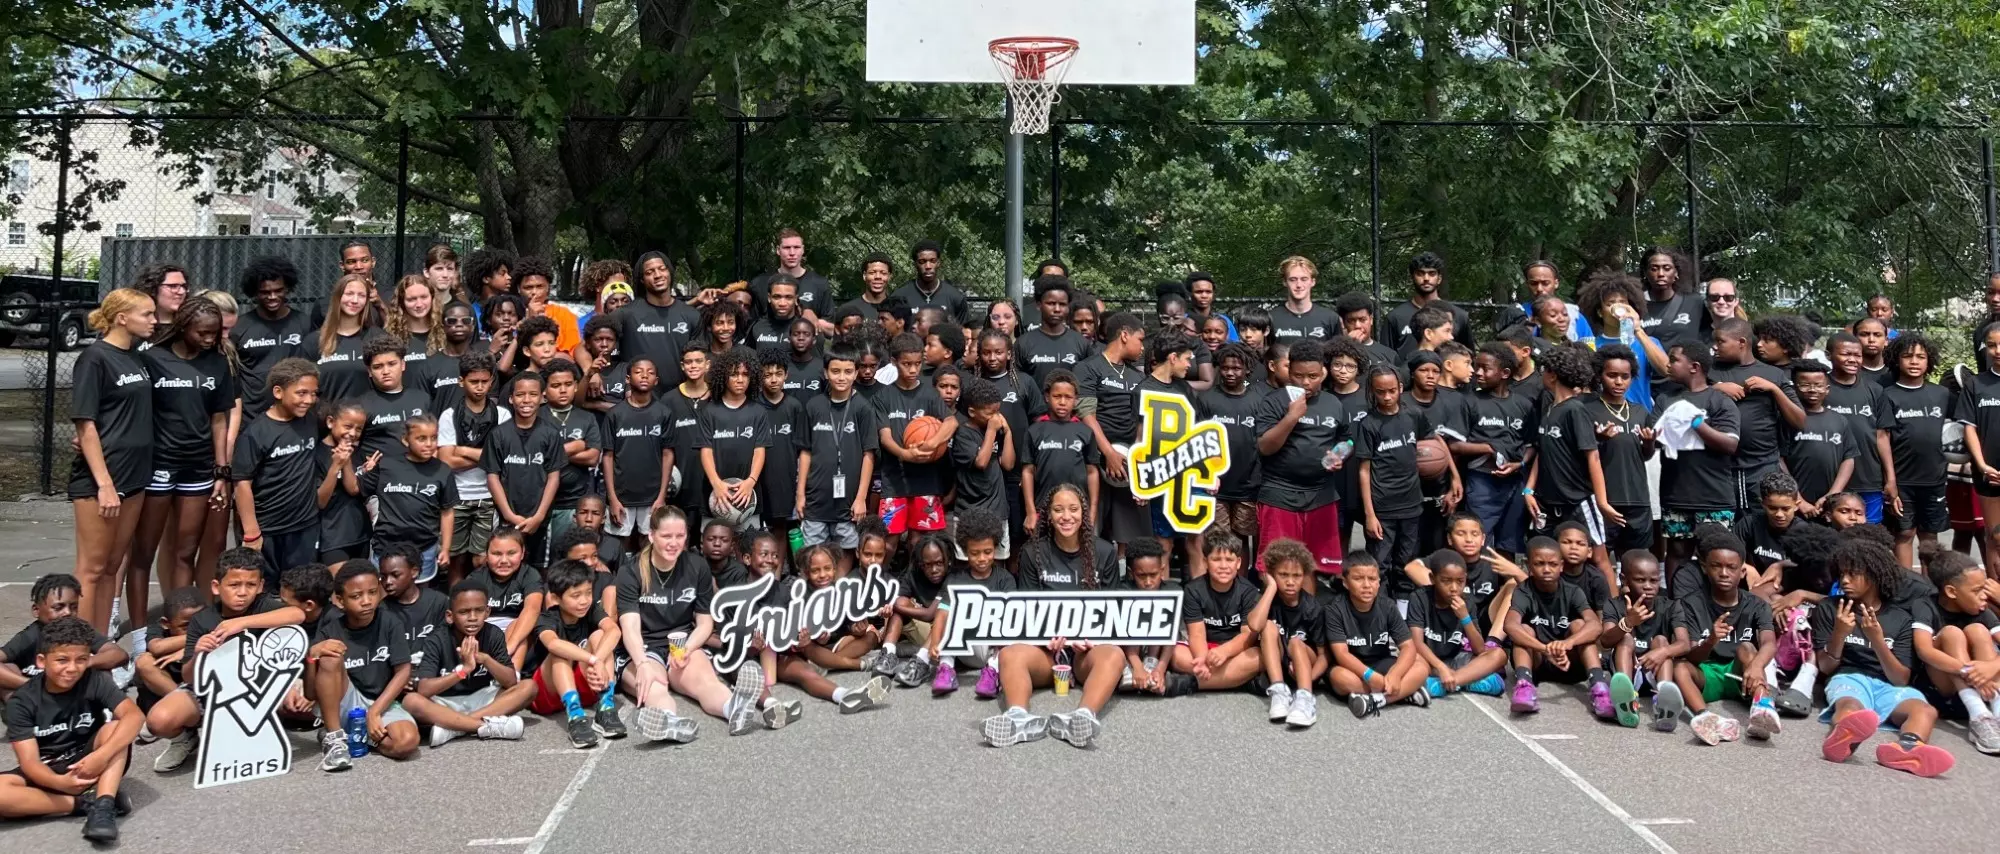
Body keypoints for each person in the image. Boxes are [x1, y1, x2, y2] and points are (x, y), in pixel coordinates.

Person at [983, 484, 1124, 748]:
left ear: (1084, 512)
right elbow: (1026, 610)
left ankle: (1081, 718)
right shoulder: (1031, 553)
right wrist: (1043, 638)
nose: (1066, 516)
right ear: (1048, 514)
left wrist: (1091, 637)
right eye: (1058, 510)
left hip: (1085, 653)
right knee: (1010, 654)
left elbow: (1112, 611)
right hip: (1046, 652)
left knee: (1115, 654)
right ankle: (1018, 718)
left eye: (1073, 509)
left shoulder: (1104, 552)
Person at [612, 506, 768, 738]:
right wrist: (642, 664)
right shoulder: (630, 571)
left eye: (680, 536)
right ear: (651, 535)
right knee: (654, 685)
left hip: (682, 642)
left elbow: (705, 623)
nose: (673, 543)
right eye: (666, 536)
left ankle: (734, 708)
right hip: (643, 648)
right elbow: (630, 627)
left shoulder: (697, 566)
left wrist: (687, 649)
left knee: (706, 681)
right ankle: (669, 722)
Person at [146, 548, 306, 772]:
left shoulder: (262, 606)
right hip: (216, 691)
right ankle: (186, 738)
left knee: (303, 706)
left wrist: (241, 623)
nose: (242, 593)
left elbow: (297, 615)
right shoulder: (203, 620)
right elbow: (189, 676)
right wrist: (199, 653)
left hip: (263, 684)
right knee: (159, 720)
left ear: (260, 586)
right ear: (216, 587)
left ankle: (302, 730)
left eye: (250, 585)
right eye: (234, 585)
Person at [1814, 538, 1955, 777]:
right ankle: (1843, 740)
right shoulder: (1831, 609)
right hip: (1849, 677)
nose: (1844, 580)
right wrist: (1839, 634)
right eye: (1841, 574)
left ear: (1875, 574)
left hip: (1887, 685)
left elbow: (1900, 679)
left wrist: (1877, 640)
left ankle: (1907, 749)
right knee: (1851, 706)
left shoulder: (1899, 617)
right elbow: (1826, 667)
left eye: (1852, 574)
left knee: (1925, 711)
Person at [133, 296, 236, 613]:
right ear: (182, 327)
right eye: (202, 333)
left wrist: (221, 471)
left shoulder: (217, 362)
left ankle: (182, 623)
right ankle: (139, 636)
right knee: (143, 554)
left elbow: (219, 419)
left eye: (214, 333)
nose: (208, 339)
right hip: (158, 466)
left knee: (185, 550)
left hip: (198, 468)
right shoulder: (152, 359)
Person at [65, 288, 158, 635]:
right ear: (122, 318)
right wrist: (104, 484)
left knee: (111, 567)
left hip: (135, 477)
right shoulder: (94, 358)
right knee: (92, 567)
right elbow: (85, 425)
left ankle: (99, 644)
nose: (153, 320)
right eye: (146, 314)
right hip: (103, 480)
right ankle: (77, 647)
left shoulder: (136, 356)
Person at [0, 616, 142, 841]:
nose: (72, 668)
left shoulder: (93, 680)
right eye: (62, 660)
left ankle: (103, 807)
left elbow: (134, 716)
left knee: (115, 728)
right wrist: (59, 782)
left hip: (92, 762)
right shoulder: (21, 702)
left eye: (81, 660)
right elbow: (30, 763)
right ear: (41, 661)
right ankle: (83, 804)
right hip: (47, 770)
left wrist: (101, 757)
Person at [1668, 526, 1780, 744]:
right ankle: (1705, 717)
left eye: (1731, 567)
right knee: (1679, 667)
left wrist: (1756, 666)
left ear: (1742, 571)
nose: (1724, 573)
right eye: (1716, 566)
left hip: (1742, 673)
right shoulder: (1689, 604)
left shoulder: (1756, 605)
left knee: (1747, 648)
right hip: (1707, 672)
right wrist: (1711, 640)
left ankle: (1762, 709)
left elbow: (1768, 643)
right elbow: (1690, 657)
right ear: (1704, 567)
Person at [1356, 365, 1459, 591]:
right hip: (1382, 505)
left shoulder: (1413, 415)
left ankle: (1403, 608)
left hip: (1412, 502)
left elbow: (1436, 442)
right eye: (1380, 392)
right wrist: (1369, 514)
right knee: (1380, 563)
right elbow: (1364, 470)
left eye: (1392, 390)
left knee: (1407, 561)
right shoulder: (1368, 424)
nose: (1387, 396)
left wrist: (1455, 476)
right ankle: (1380, 607)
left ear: (1400, 388)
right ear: (1372, 391)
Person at [1254, 339, 1348, 578]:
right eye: (1298, 375)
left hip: (1321, 495)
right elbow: (1265, 447)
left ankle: (1308, 614)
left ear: (1323, 372)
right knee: (1275, 565)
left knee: (1312, 567)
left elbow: (1347, 440)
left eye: (1313, 376)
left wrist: (1338, 455)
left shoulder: (1333, 403)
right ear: (1289, 370)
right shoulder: (1274, 401)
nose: (1306, 382)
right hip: (1279, 494)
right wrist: (1291, 417)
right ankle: (1272, 614)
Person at [311, 560, 418, 770]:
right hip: (345, 701)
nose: (366, 601)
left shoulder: (390, 622)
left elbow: (403, 670)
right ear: (340, 600)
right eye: (356, 596)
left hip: (381, 701)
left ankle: (359, 737)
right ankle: (335, 739)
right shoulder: (331, 629)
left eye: (372, 592)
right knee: (330, 654)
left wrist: (374, 712)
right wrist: (311, 656)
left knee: (406, 742)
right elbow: (309, 692)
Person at [402, 580, 534, 748]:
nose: (472, 618)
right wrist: (464, 670)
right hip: (445, 703)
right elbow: (424, 689)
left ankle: (456, 727)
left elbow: (510, 682)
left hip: (483, 699)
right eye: (464, 612)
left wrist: (486, 660)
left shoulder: (493, 634)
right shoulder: (437, 639)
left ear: (487, 612)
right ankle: (483, 726)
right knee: (411, 701)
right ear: (450, 616)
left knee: (528, 687)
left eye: (478, 610)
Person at [233, 358, 323, 583]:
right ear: (278, 391)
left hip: (304, 525)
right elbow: (242, 483)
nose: (308, 400)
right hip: (268, 529)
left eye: (313, 394)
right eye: (301, 393)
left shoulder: (311, 421)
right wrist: (252, 531)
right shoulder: (256, 433)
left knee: (300, 588)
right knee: (265, 590)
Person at [1653, 343, 1743, 564]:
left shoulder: (1720, 400)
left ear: (1694, 367)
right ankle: (1676, 600)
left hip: (1714, 498)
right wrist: (1647, 440)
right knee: (1676, 553)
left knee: (1716, 556)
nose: (1668, 364)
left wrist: (1696, 423)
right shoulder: (1666, 400)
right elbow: (1654, 442)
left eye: (1674, 359)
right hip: (1676, 496)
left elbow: (1730, 445)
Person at [528, 559, 626, 748]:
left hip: (586, 686)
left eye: (588, 593)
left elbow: (614, 631)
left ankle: (605, 707)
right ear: (556, 598)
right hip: (547, 695)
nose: (584, 600)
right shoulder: (546, 618)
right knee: (560, 652)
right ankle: (575, 717)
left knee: (600, 635)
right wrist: (592, 659)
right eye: (576, 595)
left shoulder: (591, 610)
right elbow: (554, 644)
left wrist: (597, 660)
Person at [1910, 548, 2000, 753]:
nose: (1984, 595)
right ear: (1951, 592)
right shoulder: (1925, 605)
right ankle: (1978, 716)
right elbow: (1923, 650)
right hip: (1944, 692)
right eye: (1977, 590)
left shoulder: (1981, 611)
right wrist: (1969, 671)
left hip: (1985, 687)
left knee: (1978, 631)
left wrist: (1989, 667)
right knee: (1951, 633)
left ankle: (1998, 710)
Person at [1075, 312, 1152, 549]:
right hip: (1093, 456)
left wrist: (1134, 458)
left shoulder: (1138, 376)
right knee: (1092, 525)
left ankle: (1122, 573)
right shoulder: (1088, 368)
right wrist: (1108, 452)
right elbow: (1086, 413)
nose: (1143, 347)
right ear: (1125, 335)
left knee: (1128, 530)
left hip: (1128, 459)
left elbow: (1142, 421)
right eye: (1140, 340)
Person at [1503, 536, 1603, 714]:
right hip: (1538, 662)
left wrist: (1568, 643)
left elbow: (1595, 625)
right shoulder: (1524, 590)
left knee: (1580, 625)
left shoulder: (1573, 591)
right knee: (1524, 630)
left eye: (1553, 564)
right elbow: (1510, 625)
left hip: (1569, 662)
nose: (1547, 569)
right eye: (1540, 564)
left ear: (1562, 566)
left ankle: (1600, 689)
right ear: (1528, 565)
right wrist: (1544, 649)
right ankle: (1524, 686)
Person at [874, 333, 954, 555]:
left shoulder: (930, 394)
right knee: (888, 541)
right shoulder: (883, 397)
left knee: (921, 542)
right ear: (894, 361)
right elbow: (885, 436)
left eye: (917, 364)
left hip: (926, 479)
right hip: (894, 479)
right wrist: (904, 454)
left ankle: (916, 586)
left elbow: (951, 422)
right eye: (906, 364)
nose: (913, 370)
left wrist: (932, 444)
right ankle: (884, 584)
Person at [924, 508, 1018, 697]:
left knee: (1012, 623)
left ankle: (992, 672)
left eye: (987, 552)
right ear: (965, 552)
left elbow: (1012, 620)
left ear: (995, 549)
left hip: (994, 648)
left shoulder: (1005, 579)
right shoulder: (956, 579)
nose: (982, 559)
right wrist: (935, 642)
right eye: (975, 553)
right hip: (962, 647)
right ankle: (946, 669)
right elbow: (941, 614)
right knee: (952, 614)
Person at [1711, 318, 1803, 507]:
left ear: (1742, 343)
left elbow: (1800, 421)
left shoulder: (1773, 374)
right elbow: (1683, 398)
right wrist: (1717, 388)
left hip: (1762, 466)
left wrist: (1774, 390)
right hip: (1720, 468)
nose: (1715, 347)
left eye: (1720, 341)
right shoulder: (1710, 372)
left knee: (1762, 522)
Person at [1325, 552, 1429, 717]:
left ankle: (1377, 700)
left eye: (1372, 579)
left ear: (1379, 582)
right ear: (1345, 582)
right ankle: (1403, 693)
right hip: (1353, 668)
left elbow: (1408, 646)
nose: (1367, 585)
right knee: (1340, 678)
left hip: (1381, 663)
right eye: (1358, 579)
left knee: (1421, 665)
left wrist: (1395, 674)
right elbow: (1342, 654)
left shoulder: (1387, 605)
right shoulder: (1335, 609)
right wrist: (1370, 676)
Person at [1877, 332, 1950, 566]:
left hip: (1934, 478)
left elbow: (1958, 431)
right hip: (1902, 480)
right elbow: (1883, 436)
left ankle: (1929, 591)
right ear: (1896, 360)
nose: (1915, 361)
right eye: (1908, 356)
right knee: (1904, 533)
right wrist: (1891, 480)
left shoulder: (1941, 394)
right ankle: (1905, 590)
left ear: (1929, 361)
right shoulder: (1887, 395)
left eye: (1921, 356)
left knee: (1929, 536)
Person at [0, 575, 125, 702]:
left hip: (75, 693)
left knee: (103, 672)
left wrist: (83, 662)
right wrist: (33, 686)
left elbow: (118, 654)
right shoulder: (30, 636)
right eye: (58, 608)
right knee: (8, 669)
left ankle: (101, 710)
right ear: (36, 610)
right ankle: (22, 713)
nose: (67, 613)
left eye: (73, 607)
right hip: (37, 698)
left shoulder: (79, 630)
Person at [484, 370, 565, 564]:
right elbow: (492, 476)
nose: (526, 400)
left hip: (540, 518)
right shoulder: (498, 434)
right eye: (520, 395)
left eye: (533, 394)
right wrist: (508, 514)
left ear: (542, 398)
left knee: (539, 566)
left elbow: (554, 476)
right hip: (506, 517)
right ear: (511, 399)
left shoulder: (551, 434)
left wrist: (539, 516)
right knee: (505, 562)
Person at [1522, 345, 1603, 538]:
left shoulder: (1575, 409)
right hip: (1549, 501)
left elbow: (1593, 456)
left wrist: (1602, 502)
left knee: (1597, 558)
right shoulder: (1550, 409)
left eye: (1543, 370)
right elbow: (1543, 452)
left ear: (1553, 375)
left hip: (1577, 500)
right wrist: (1528, 489)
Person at [363, 416, 457, 580]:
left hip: (424, 548)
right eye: (421, 438)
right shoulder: (385, 466)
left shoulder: (443, 471)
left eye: (433, 438)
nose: (429, 444)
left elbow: (447, 512)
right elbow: (361, 491)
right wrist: (367, 472)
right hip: (385, 545)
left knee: (419, 596)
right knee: (384, 594)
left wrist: (445, 548)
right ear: (406, 440)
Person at [436, 351, 501, 584]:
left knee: (482, 559)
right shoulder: (449, 415)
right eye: (474, 382)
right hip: (457, 496)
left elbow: (501, 458)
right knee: (456, 560)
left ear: (492, 381)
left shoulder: (501, 415)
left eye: (485, 381)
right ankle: (456, 605)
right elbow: (445, 462)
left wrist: (462, 450)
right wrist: (486, 455)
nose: (480, 387)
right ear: (461, 381)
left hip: (489, 496)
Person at [1171, 534, 1264, 692]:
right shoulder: (1193, 590)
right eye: (1216, 559)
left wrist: (1224, 652)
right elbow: (1197, 634)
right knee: (1175, 654)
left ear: (1238, 563)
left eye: (1229, 560)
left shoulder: (1248, 591)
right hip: (1205, 646)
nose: (1223, 566)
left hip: (1235, 649)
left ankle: (1191, 684)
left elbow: (1248, 636)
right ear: (1206, 562)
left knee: (1259, 656)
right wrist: (1202, 659)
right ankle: (1238, 679)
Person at [1250, 539, 1327, 725]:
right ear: (1271, 575)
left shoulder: (1312, 607)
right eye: (1283, 575)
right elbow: (1254, 625)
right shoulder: (1268, 599)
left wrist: (1312, 675)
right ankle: (1278, 691)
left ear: (1304, 576)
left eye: (1297, 575)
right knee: (1268, 627)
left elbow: (1324, 656)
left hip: (1305, 667)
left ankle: (1306, 699)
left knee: (1295, 642)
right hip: (1279, 665)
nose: (1290, 581)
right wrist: (1271, 589)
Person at [602, 358, 673, 551]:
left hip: (652, 497)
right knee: (617, 548)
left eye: (650, 373)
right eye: (639, 371)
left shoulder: (663, 413)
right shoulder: (615, 414)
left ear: (656, 381)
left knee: (649, 545)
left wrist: (661, 497)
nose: (644, 376)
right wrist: (613, 498)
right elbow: (607, 457)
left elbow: (667, 455)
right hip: (622, 495)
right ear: (627, 378)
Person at [696, 346, 769, 531]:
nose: (740, 379)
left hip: (748, 494)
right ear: (723, 376)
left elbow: (759, 450)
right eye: (734, 374)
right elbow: (706, 450)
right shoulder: (709, 411)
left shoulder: (758, 412)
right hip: (715, 493)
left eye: (745, 374)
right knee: (715, 549)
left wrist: (750, 482)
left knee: (748, 552)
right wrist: (716, 484)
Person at [231, 256, 314, 415]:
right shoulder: (239, 327)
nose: (272, 297)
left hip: (295, 413)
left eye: (278, 290)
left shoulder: (305, 324)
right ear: (254, 292)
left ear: (287, 288)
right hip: (251, 416)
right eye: (265, 292)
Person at [1824, 331, 1892, 524]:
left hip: (1868, 477)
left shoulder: (1875, 390)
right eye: (1846, 354)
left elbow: (1882, 436)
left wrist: (1890, 479)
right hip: (1830, 478)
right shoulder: (1820, 388)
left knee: (1868, 536)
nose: (1852, 359)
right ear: (1829, 355)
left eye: (1857, 355)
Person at [1779, 360, 1858, 510]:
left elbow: (1848, 458)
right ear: (1794, 388)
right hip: (1793, 502)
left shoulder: (1840, 420)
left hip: (1830, 502)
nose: (1812, 389)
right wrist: (1798, 499)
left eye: (1818, 385)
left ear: (1827, 389)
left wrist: (1833, 495)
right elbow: (1779, 459)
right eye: (1805, 385)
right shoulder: (1787, 420)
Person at [616, 251, 701, 389]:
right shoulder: (626, 314)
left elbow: (700, 359)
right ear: (642, 279)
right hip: (639, 399)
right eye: (650, 272)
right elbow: (589, 340)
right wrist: (592, 372)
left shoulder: (691, 315)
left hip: (679, 397)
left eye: (662, 269)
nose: (657, 275)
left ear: (670, 272)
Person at [314, 400, 372, 563]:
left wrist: (346, 462)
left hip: (360, 533)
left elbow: (353, 489)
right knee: (340, 586)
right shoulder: (316, 454)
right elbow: (320, 501)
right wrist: (335, 466)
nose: (353, 433)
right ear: (331, 422)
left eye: (358, 429)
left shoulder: (358, 453)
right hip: (332, 537)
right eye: (348, 426)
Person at [1383, 252, 1474, 352]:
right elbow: (1386, 358)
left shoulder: (1459, 316)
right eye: (1420, 273)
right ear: (1412, 277)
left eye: (1432, 273)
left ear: (1439, 278)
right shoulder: (1396, 317)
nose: (1426, 278)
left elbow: (1468, 356)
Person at [314, 273, 383, 402]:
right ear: (337, 297)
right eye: (349, 294)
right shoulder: (314, 341)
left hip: (368, 417)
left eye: (361, 295)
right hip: (327, 417)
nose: (355, 300)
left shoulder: (378, 338)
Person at [749, 229, 834, 333]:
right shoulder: (760, 283)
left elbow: (831, 330)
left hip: (805, 346)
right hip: (769, 344)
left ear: (803, 250)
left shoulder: (819, 283)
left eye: (796, 247)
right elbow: (750, 324)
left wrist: (811, 320)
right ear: (778, 250)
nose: (792, 253)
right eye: (787, 248)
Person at [513, 255, 582, 356]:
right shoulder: (510, 314)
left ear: (548, 288)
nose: (534, 292)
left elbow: (571, 353)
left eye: (540, 286)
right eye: (528, 287)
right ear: (519, 289)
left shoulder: (564, 314)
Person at [890, 239, 970, 325]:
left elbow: (963, 333)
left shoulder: (955, 297)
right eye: (922, 262)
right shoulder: (900, 297)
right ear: (915, 264)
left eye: (932, 261)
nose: (928, 266)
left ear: (938, 263)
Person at [1269, 256, 1339, 343]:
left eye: (1304, 279)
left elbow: (1339, 354)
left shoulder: (1330, 318)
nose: (1299, 284)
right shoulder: (1271, 318)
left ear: (1313, 282)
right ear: (1284, 282)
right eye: (1293, 280)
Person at [386, 273, 445, 366]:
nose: (419, 304)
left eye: (424, 297)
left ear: (432, 297)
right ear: (401, 303)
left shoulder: (445, 331)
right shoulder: (391, 337)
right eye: (411, 299)